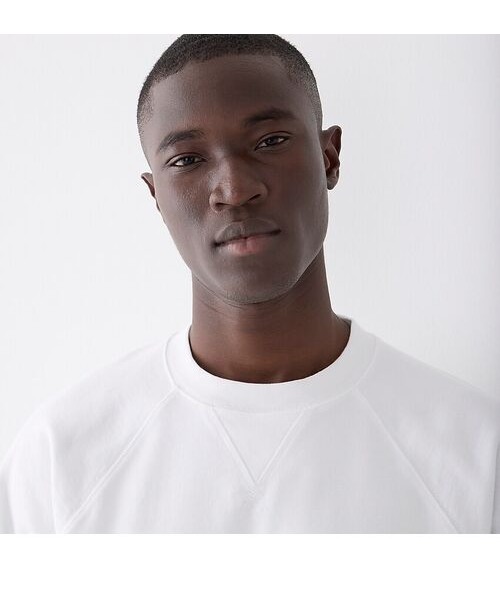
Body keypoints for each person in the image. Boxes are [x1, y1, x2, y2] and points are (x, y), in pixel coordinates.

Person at [1, 34, 499, 533]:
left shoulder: (474, 452)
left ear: (329, 157)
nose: (235, 190)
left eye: (270, 141)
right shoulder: (60, 460)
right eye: (187, 160)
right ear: (156, 197)